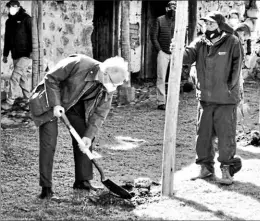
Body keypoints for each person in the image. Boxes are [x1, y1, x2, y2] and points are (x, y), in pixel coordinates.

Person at [29, 54, 129, 199]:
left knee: (85, 138)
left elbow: (100, 114)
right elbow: (50, 78)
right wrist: (56, 104)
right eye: (113, 83)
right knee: (48, 143)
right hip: (50, 102)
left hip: (74, 106)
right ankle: (46, 188)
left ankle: (82, 181)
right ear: (105, 72)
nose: (113, 88)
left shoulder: (109, 87)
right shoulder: (79, 63)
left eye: (117, 86)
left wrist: (88, 136)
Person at [178, 11, 243, 185]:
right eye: (206, 24)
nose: (208, 27)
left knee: (225, 136)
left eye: (212, 24)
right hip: (205, 99)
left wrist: (229, 88)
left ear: (220, 25)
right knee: (203, 135)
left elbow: (237, 68)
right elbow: (187, 56)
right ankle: (205, 168)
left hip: (225, 99)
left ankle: (227, 169)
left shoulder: (232, 41)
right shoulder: (200, 42)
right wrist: (176, 48)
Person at [2, 0, 32, 111]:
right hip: (15, 54)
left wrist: (33, 51)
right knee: (22, 78)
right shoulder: (9, 22)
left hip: (26, 54)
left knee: (14, 77)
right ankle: (29, 100)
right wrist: (5, 54)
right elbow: (7, 40)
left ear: (18, 7)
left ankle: (10, 101)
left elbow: (33, 36)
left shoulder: (27, 19)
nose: (11, 9)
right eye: (9, 7)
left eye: (12, 7)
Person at [150, 1, 176, 110]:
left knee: (174, 78)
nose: (173, 9)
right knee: (161, 77)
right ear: (167, 8)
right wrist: (159, 50)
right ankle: (161, 102)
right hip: (163, 53)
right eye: (172, 7)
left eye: (175, 7)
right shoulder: (159, 20)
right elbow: (154, 37)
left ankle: (173, 100)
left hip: (175, 53)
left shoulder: (179, 21)